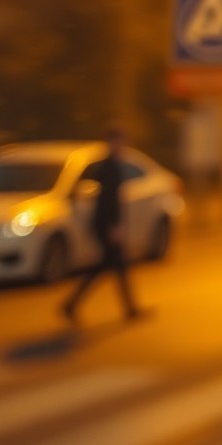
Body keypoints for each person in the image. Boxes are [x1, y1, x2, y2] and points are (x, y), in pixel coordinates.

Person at [61, 128, 143, 323]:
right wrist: (114, 226)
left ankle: (73, 304)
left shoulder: (110, 166)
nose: (122, 146)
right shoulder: (110, 168)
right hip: (106, 224)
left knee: (112, 266)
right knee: (114, 265)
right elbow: (108, 200)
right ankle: (72, 304)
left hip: (104, 223)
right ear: (112, 143)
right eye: (119, 142)